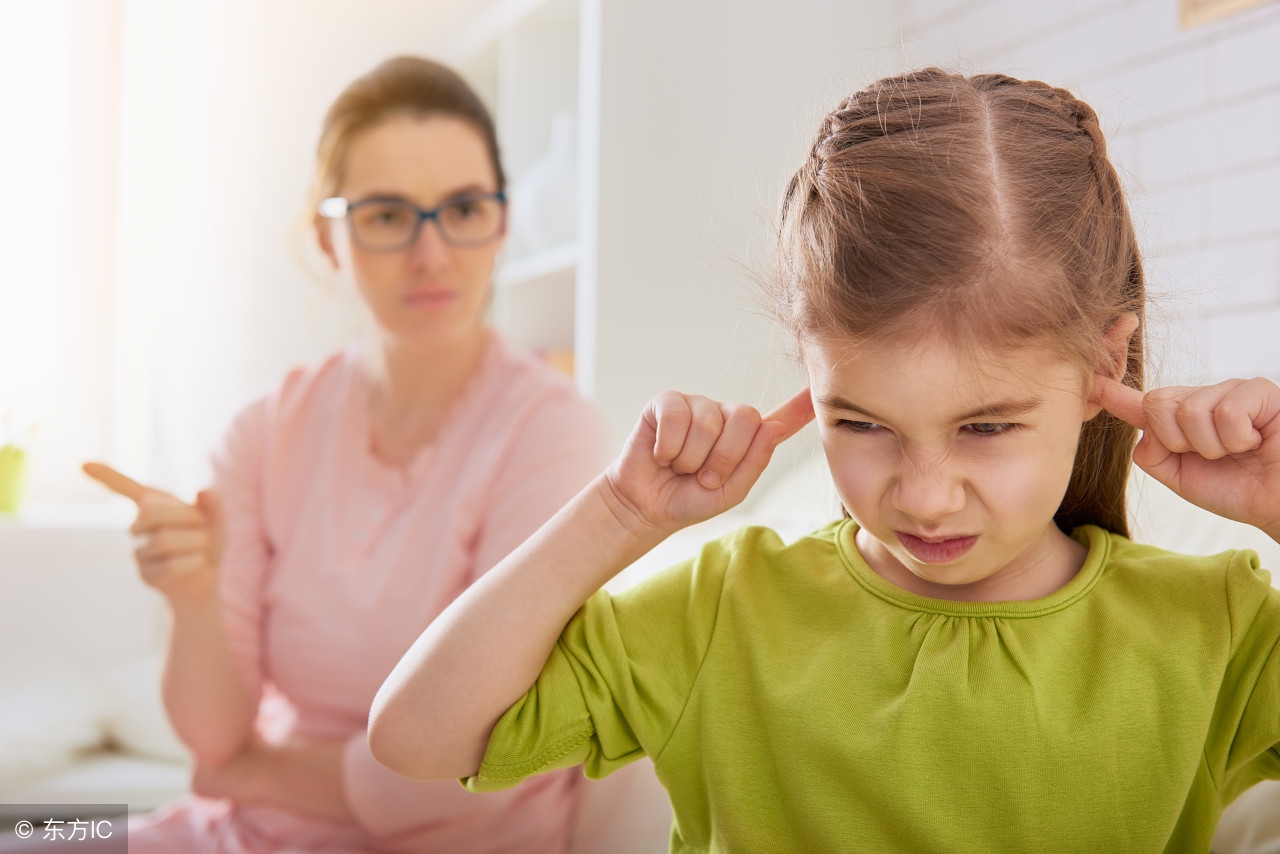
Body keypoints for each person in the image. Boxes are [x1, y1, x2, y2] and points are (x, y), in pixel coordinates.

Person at [365, 68, 1280, 852]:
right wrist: (621, 513)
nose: (924, 497)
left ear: (1101, 368)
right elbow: (416, 737)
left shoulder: (1214, 627)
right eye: (863, 423)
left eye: (987, 429)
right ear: (807, 374)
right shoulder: (723, 608)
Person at [84, 56, 610, 853]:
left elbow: (482, 772)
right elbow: (213, 742)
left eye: (463, 208)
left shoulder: (552, 435)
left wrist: (263, 771)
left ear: (502, 222)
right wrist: (191, 598)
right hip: (241, 833)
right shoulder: (264, 430)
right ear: (327, 237)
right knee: (34, 833)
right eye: (387, 215)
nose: (432, 252)